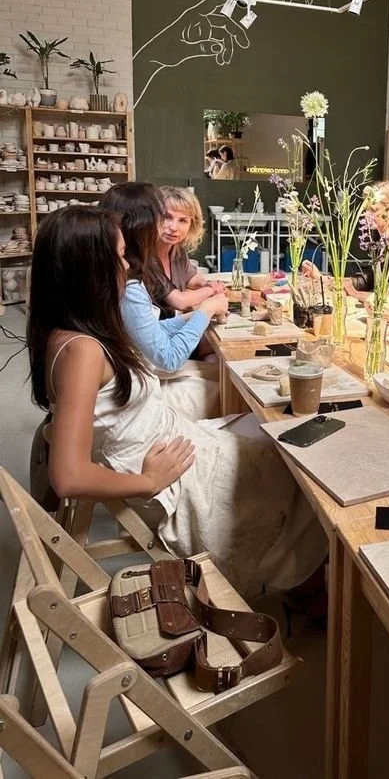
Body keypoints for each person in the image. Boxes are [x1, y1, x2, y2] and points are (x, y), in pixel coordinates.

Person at [27, 206, 326, 597]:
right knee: (301, 464)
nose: (128, 266)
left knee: (278, 430)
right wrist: (147, 481)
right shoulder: (82, 351)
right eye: (119, 256)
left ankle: (305, 574)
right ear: (92, 268)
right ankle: (306, 583)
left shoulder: (76, 331)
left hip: (172, 438)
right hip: (168, 473)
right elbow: (66, 476)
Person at [101, 183, 227, 418]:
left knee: (220, 363)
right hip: (141, 375)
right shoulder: (130, 281)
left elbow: (149, 329)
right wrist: (207, 308)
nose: (168, 227)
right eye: (161, 218)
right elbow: (167, 358)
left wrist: (195, 314)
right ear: (139, 225)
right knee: (227, 377)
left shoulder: (130, 268)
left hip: (142, 361)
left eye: (182, 220)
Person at [302, 180, 389, 302]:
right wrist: (324, 280)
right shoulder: (381, 240)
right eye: (367, 209)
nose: (367, 215)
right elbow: (369, 279)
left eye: (373, 210)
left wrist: (354, 294)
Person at [155, 185, 225, 320]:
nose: (173, 227)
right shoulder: (145, 256)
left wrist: (208, 284)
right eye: (167, 217)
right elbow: (179, 301)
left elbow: (192, 278)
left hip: (168, 328)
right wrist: (211, 291)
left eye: (182, 220)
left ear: (191, 225)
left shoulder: (176, 250)